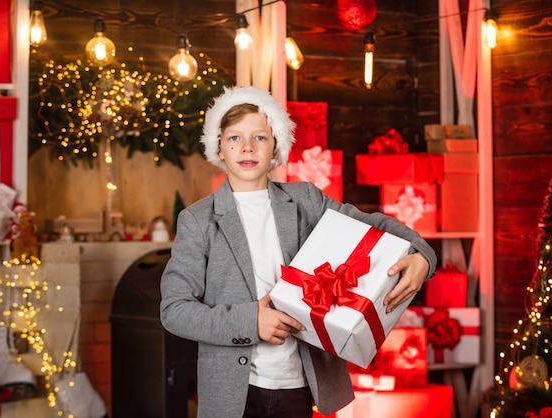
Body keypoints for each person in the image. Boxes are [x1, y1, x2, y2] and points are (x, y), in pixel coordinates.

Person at [159, 85, 437, 418]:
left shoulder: (307, 200)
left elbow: (372, 224)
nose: (247, 147)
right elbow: (174, 310)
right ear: (218, 145)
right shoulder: (198, 220)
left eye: (260, 137)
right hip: (233, 395)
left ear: (275, 143)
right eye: (234, 138)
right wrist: (251, 321)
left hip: (300, 386)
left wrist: (422, 254)